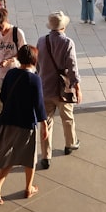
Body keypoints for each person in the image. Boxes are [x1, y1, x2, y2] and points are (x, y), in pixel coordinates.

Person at [0, 44, 47, 204]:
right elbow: (39, 105)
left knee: (10, 156)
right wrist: (45, 125)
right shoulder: (35, 79)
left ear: (19, 58)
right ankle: (28, 188)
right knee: (30, 157)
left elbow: (4, 95)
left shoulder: (12, 74)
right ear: (35, 59)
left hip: (9, 120)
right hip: (26, 123)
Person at [36, 11, 81, 170]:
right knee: (67, 117)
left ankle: (45, 156)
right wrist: (77, 86)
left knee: (46, 123)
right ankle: (70, 143)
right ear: (63, 26)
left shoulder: (41, 41)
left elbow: (37, 65)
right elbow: (72, 67)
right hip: (63, 88)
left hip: (45, 87)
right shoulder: (68, 42)